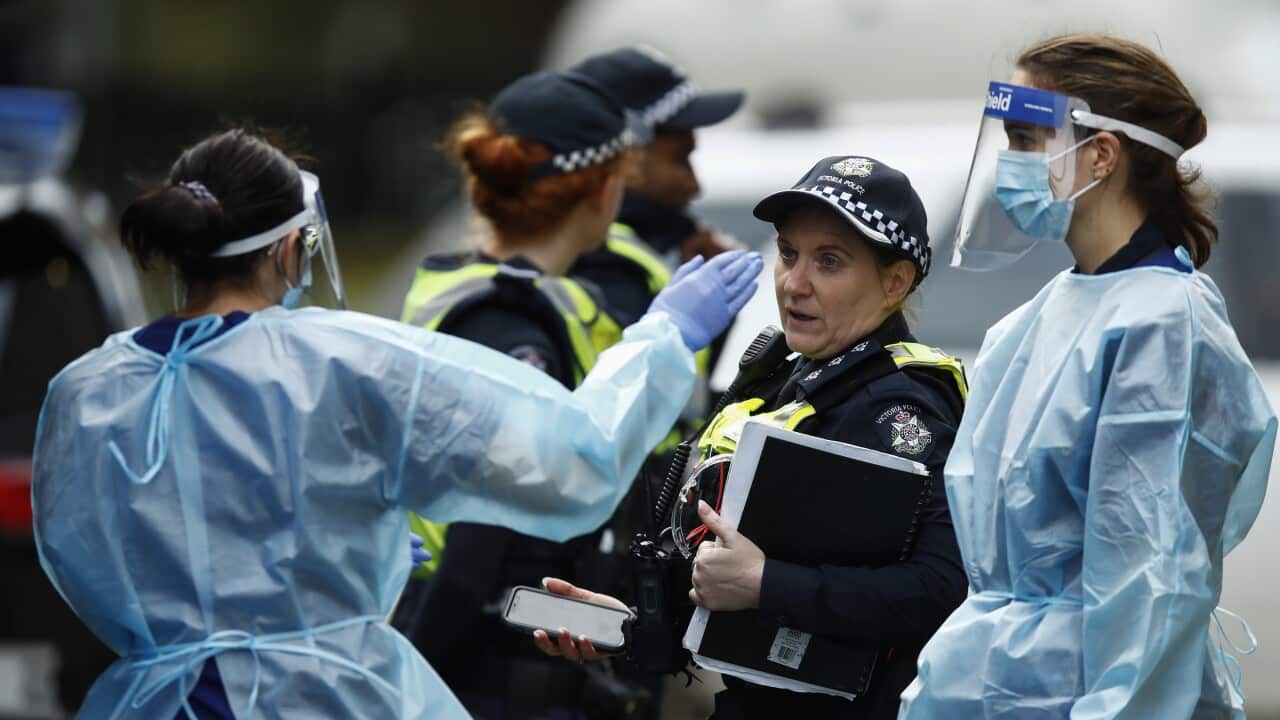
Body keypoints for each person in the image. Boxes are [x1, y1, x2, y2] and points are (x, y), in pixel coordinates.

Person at [29, 127, 762, 720]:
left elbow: (86, 554)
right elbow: (570, 464)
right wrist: (664, 339)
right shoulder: (339, 361)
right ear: (290, 249)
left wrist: (340, 549)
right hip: (324, 699)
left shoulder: (85, 389)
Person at [897, 33, 1276, 719]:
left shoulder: (1163, 326)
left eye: (1026, 139)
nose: (1010, 163)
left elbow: (1149, 582)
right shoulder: (1031, 323)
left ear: (1101, 155)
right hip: (999, 686)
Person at [537, 156, 970, 719]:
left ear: (895, 282)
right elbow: (733, 588)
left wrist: (766, 584)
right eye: (788, 253)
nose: (794, 283)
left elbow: (941, 590)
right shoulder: (783, 376)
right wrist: (630, 623)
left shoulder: (900, 410)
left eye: (829, 261)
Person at [392, 70, 662, 719]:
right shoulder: (513, 324)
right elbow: (476, 551)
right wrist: (404, 692)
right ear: (603, 189)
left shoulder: (461, 287)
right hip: (481, 677)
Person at [568, 46, 745, 328]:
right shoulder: (603, 273)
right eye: (680, 158)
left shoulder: (641, 261)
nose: (694, 185)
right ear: (625, 155)